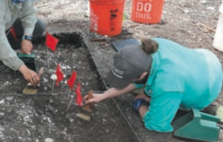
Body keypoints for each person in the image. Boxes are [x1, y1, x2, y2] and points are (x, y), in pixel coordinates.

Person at [85, 38, 223, 133]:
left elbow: (157, 125)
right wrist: (103, 96)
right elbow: (135, 81)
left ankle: (152, 95)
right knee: (145, 89)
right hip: (204, 59)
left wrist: (140, 104)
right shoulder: (148, 47)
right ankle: (148, 92)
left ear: (143, 75)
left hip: (207, 89)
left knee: (152, 98)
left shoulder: (167, 84)